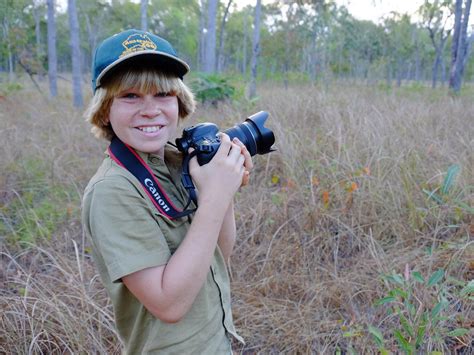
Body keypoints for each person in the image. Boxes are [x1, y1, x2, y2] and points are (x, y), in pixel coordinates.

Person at [82, 29, 251, 354]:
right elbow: (168, 305)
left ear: (180, 102)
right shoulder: (112, 191)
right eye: (130, 96)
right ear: (105, 110)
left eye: (162, 94)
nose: (150, 109)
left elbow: (219, 254)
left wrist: (223, 186)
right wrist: (214, 198)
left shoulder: (179, 161)